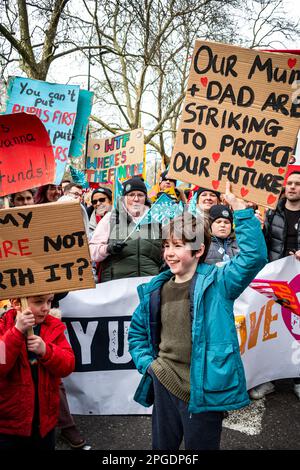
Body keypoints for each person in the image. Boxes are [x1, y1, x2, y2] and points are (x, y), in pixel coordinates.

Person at [128, 182, 268, 450]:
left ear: (199, 250)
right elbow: (136, 332)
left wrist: (240, 209)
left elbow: (254, 256)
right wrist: (149, 365)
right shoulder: (156, 289)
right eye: (167, 245)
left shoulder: (220, 282)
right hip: (164, 383)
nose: (169, 252)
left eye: (179, 245)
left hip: (204, 392)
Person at [0, 293, 75, 450]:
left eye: (49, 301)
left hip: (44, 423)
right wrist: (16, 332)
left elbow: (68, 364)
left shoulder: (53, 327)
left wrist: (46, 351)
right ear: (16, 302)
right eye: (39, 302)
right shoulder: (3, 327)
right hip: (8, 425)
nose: (46, 308)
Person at [249, 171, 300, 400]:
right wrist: (257, 228)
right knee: (270, 327)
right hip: (275, 277)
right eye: (289, 183)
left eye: (297, 184)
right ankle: (267, 380)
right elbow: (265, 243)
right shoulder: (272, 212)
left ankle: (298, 379)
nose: (292, 187)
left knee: (296, 329)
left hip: (297, 280)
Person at [89, 176, 162, 282]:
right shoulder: (111, 218)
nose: (136, 199)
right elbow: (92, 252)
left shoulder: (156, 219)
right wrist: (108, 249)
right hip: (117, 287)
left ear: (145, 198)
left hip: (149, 285)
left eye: (140, 195)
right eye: (131, 195)